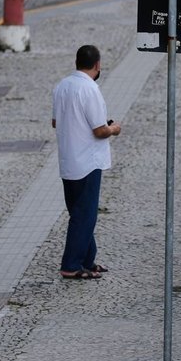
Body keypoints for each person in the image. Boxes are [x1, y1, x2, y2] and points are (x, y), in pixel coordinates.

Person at [52, 44, 121, 280]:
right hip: (88, 161)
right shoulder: (89, 89)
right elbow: (99, 130)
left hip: (68, 159)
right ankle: (71, 264)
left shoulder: (62, 86)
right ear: (97, 65)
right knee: (85, 215)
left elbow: (55, 122)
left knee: (79, 212)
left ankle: (87, 259)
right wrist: (114, 128)